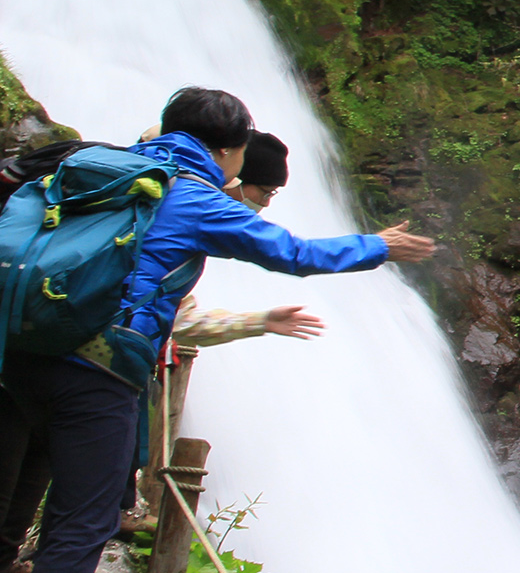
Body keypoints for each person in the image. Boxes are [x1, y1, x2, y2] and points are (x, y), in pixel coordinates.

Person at [0, 89, 435, 573]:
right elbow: (294, 253)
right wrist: (376, 246)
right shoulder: (196, 199)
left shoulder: (99, 166)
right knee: (84, 522)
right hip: (95, 369)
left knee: (29, 492)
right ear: (228, 151)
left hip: (19, 348)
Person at [0, 131, 324, 571]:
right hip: (83, 373)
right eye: (263, 191)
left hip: (20, 345)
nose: (264, 204)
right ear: (231, 173)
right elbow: (178, 314)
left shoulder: (121, 183)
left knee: (22, 497)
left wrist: (260, 321)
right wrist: (259, 321)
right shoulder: (176, 204)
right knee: (71, 516)